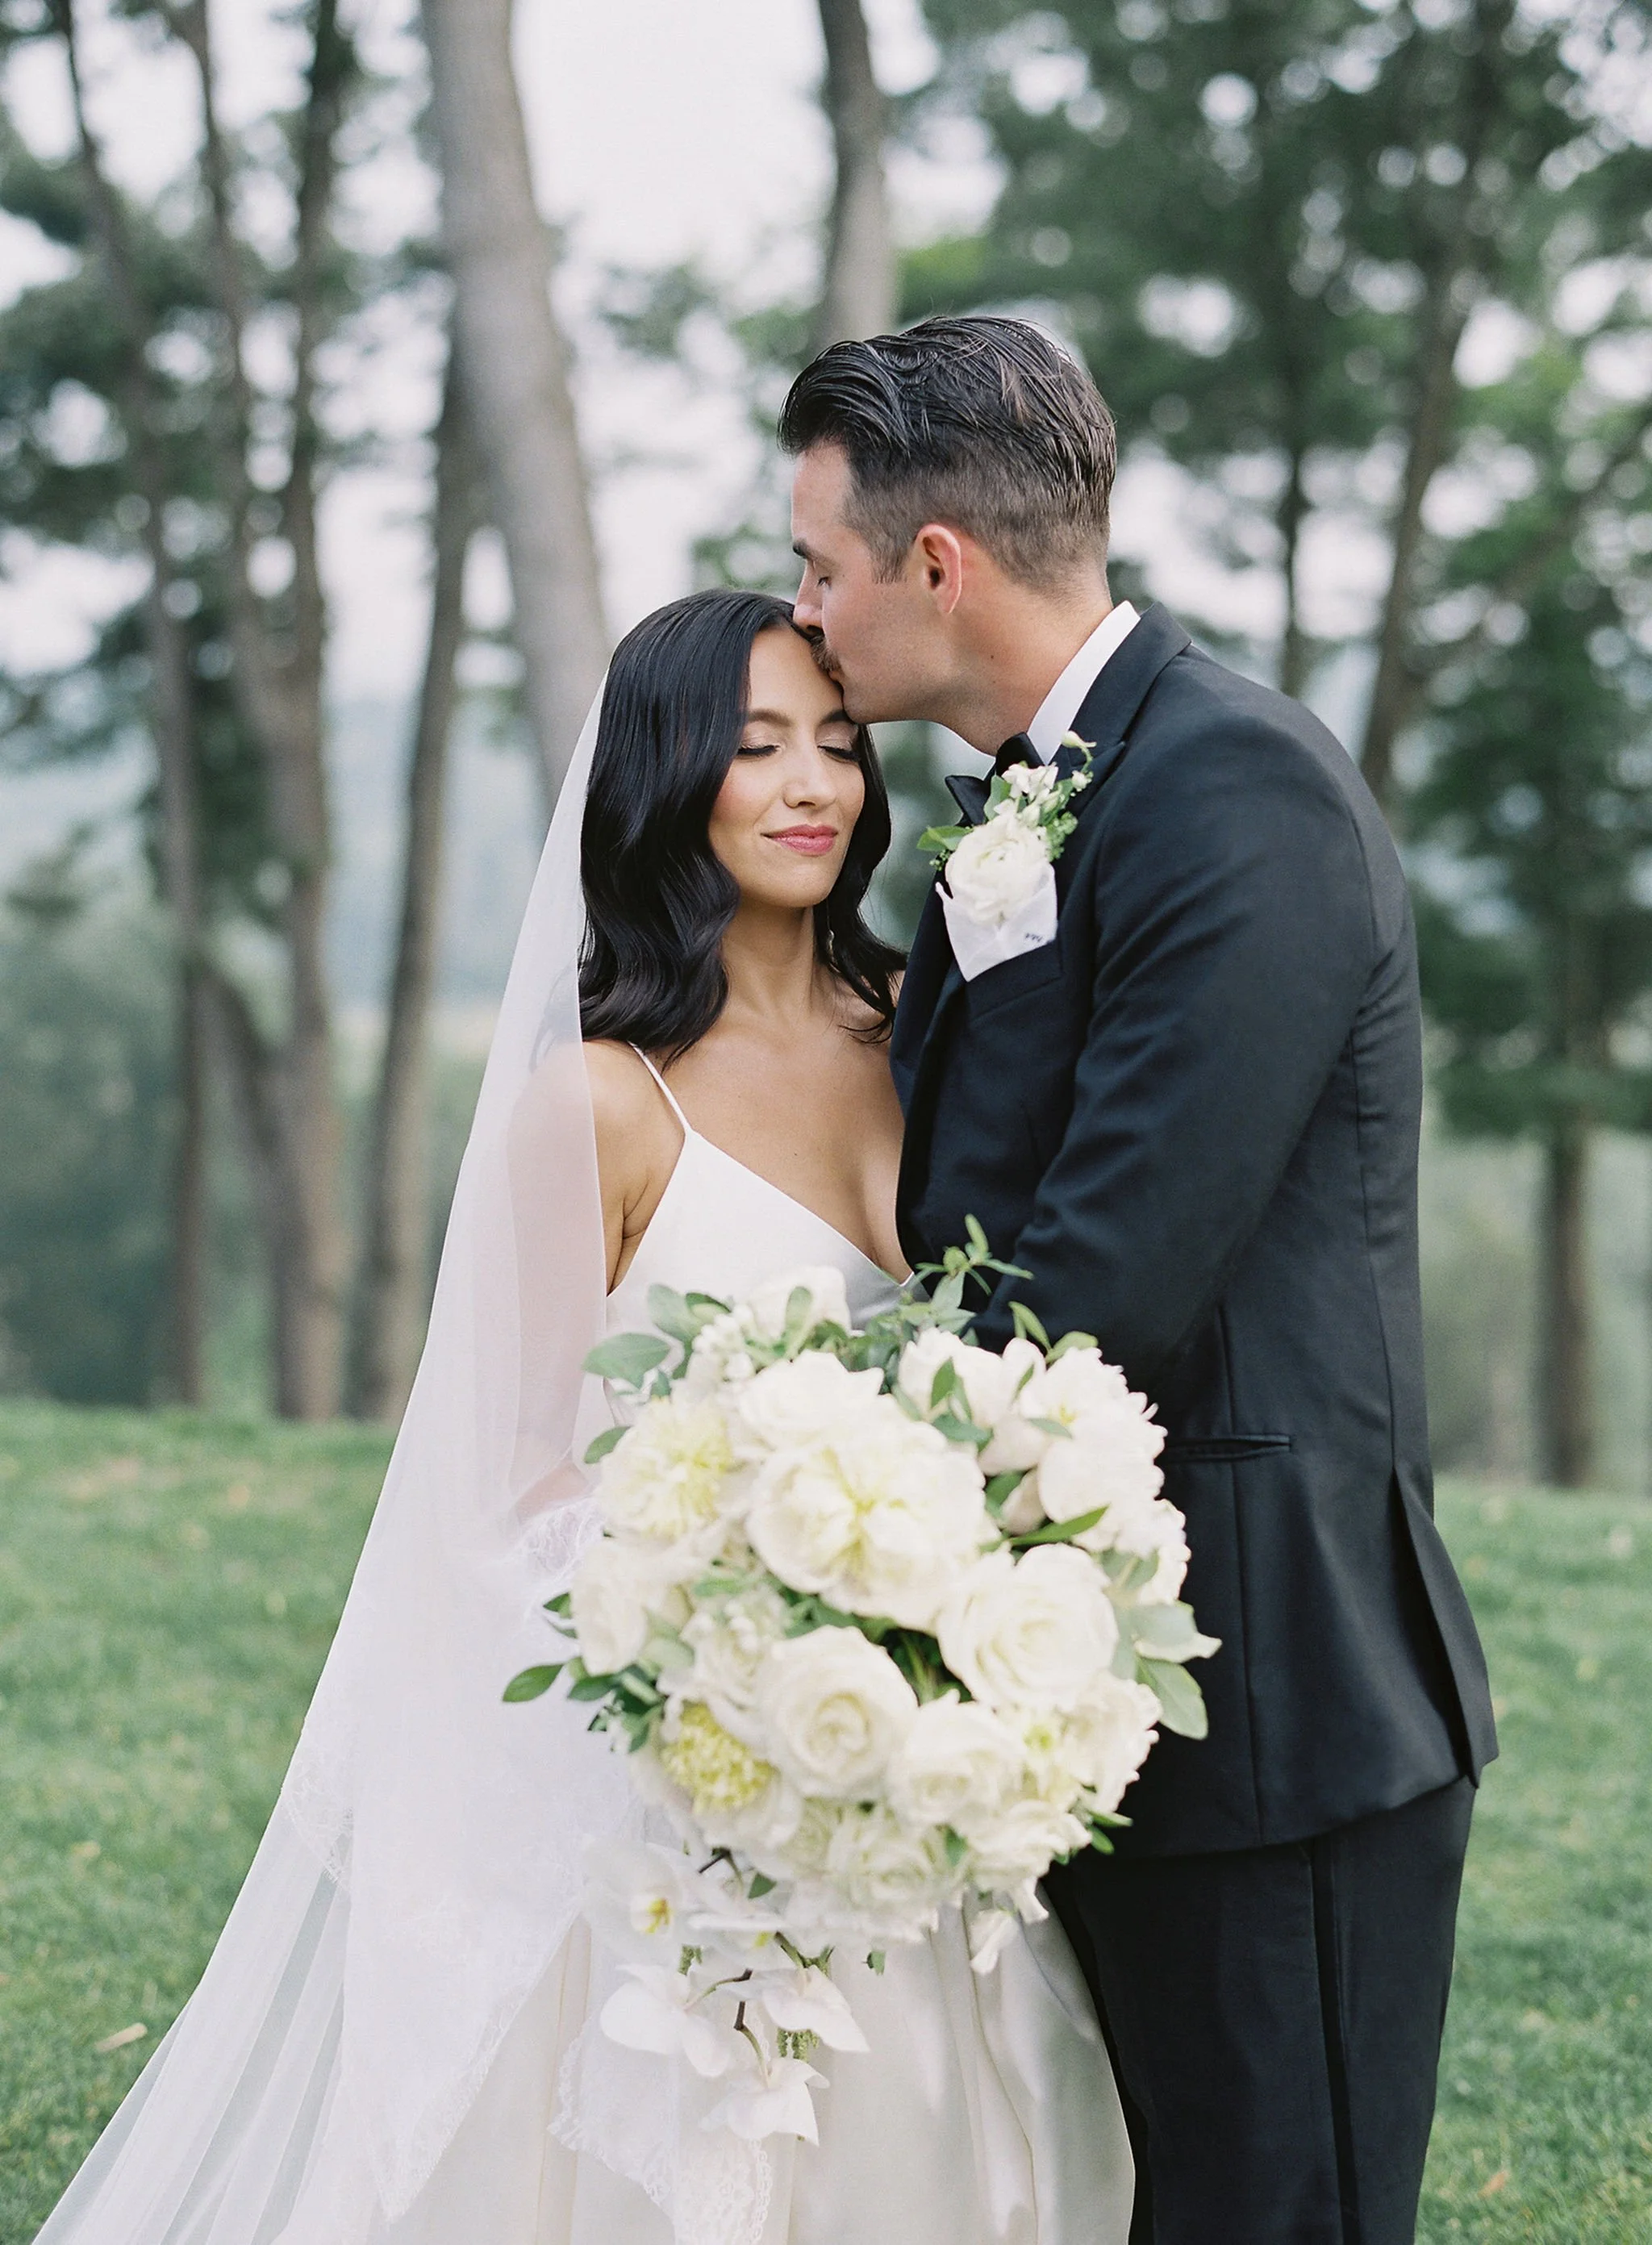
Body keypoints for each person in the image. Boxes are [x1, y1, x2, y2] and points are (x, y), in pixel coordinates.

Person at [33, 586, 1130, 2245]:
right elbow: (517, 1476)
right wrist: (748, 1618)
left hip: (920, 1756)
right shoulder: (603, 1102)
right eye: (756, 745)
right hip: (696, 1770)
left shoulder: (924, 1026)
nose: (812, 782)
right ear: (664, 774)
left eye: (837, 742)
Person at [782, 312, 1500, 2245]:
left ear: (934, 564)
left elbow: (1110, 1261)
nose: (807, 609)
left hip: (1273, 1705)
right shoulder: (1033, 794)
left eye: (818, 565)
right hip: (1092, 1694)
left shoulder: (1230, 791)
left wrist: (814, 1525)